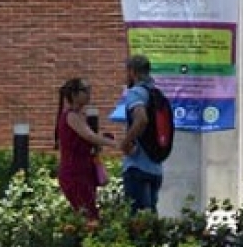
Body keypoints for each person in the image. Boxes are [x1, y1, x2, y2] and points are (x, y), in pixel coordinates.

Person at [55, 78, 116, 222]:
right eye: (85, 90)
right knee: (88, 216)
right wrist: (116, 144)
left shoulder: (80, 116)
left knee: (88, 214)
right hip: (75, 173)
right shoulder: (71, 116)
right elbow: (89, 136)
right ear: (74, 95)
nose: (89, 93)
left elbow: (88, 139)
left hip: (85, 172)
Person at [119, 55, 164, 213]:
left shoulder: (136, 93)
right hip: (156, 166)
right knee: (150, 219)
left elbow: (141, 119)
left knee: (138, 222)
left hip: (137, 165)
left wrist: (126, 142)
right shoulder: (156, 93)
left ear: (132, 72)